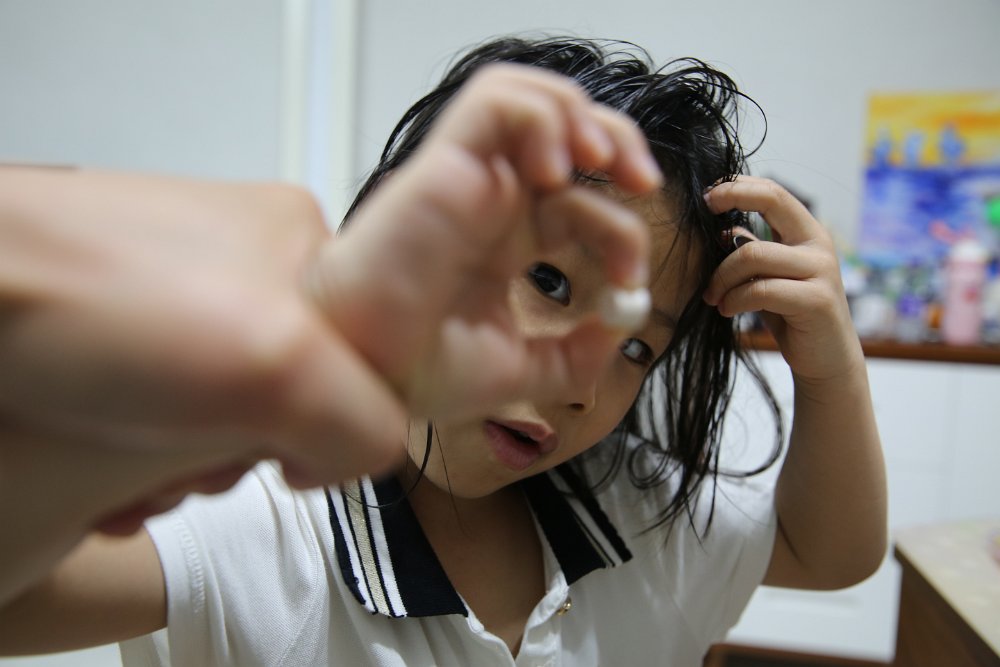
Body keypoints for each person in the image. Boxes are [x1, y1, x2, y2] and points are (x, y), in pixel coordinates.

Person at [0, 36, 886, 666]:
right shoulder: (259, 521)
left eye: (635, 346)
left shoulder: (633, 512)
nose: (580, 382)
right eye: (549, 280)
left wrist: (833, 366)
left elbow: (829, 552)